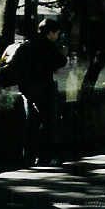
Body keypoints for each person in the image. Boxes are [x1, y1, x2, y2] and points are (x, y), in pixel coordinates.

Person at [21, 18, 68, 165]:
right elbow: (61, 61)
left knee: (31, 122)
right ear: (50, 33)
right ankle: (44, 156)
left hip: (28, 89)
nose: (57, 36)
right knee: (48, 122)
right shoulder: (48, 46)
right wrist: (63, 53)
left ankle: (28, 155)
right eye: (56, 33)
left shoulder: (29, 44)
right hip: (44, 88)